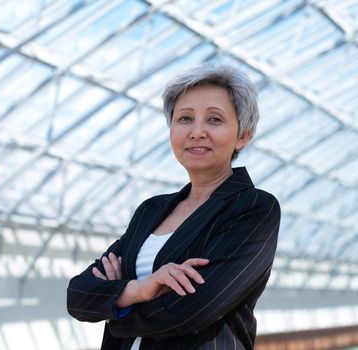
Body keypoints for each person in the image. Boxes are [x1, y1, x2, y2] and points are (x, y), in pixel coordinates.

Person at [67, 64, 281, 350]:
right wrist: (140, 289)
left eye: (214, 120)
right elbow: (79, 296)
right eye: (184, 118)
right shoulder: (151, 210)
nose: (196, 132)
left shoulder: (253, 208)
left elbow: (194, 310)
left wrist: (114, 310)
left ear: (243, 134)